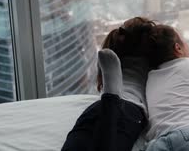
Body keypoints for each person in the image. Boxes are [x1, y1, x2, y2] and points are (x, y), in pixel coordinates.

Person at [62, 17, 154, 151]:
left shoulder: (114, 57)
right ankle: (112, 98)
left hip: (96, 109)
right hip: (130, 109)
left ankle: (111, 97)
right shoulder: (154, 63)